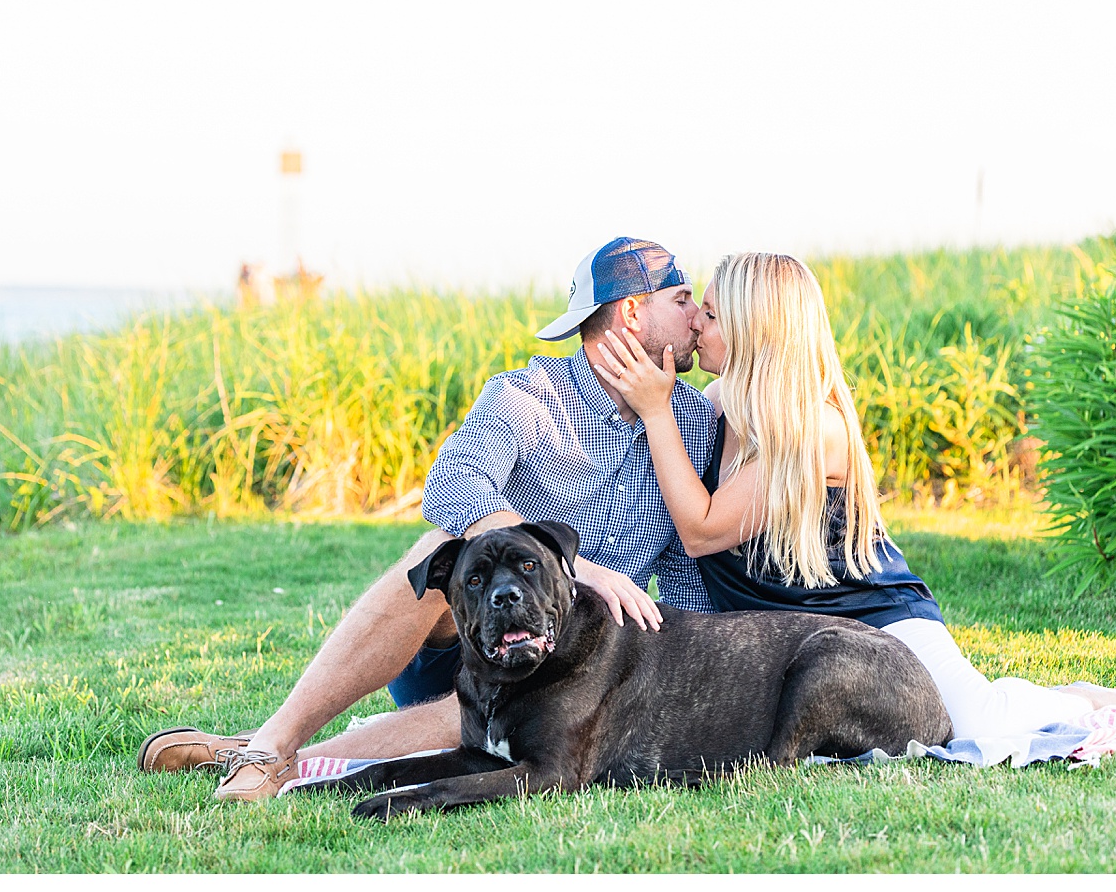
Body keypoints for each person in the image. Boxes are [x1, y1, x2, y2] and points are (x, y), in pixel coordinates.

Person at [138, 237, 721, 800]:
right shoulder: (527, 396)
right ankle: (272, 743)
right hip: (459, 630)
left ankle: (292, 761)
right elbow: (451, 484)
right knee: (436, 547)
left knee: (490, 710)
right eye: (682, 298)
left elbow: (687, 578)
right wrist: (576, 569)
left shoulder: (691, 422)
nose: (697, 316)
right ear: (632, 312)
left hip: (561, 662)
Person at [593, 250, 1116, 739]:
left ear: (755, 328)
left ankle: (1082, 699)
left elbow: (701, 531)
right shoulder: (717, 404)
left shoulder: (816, 429)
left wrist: (655, 410)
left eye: (711, 315)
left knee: (980, 724)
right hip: (792, 636)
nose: (695, 324)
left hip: (874, 620)